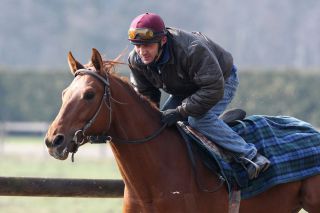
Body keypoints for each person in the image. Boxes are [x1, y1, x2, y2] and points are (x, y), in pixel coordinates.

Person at [127, 12, 270, 179]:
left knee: (198, 120)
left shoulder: (191, 50)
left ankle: (252, 157)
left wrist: (181, 112)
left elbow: (213, 88)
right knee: (161, 124)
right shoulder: (136, 60)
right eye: (137, 46)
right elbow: (146, 94)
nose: (142, 52)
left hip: (220, 81)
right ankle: (217, 125)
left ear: (163, 41)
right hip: (188, 87)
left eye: (148, 46)